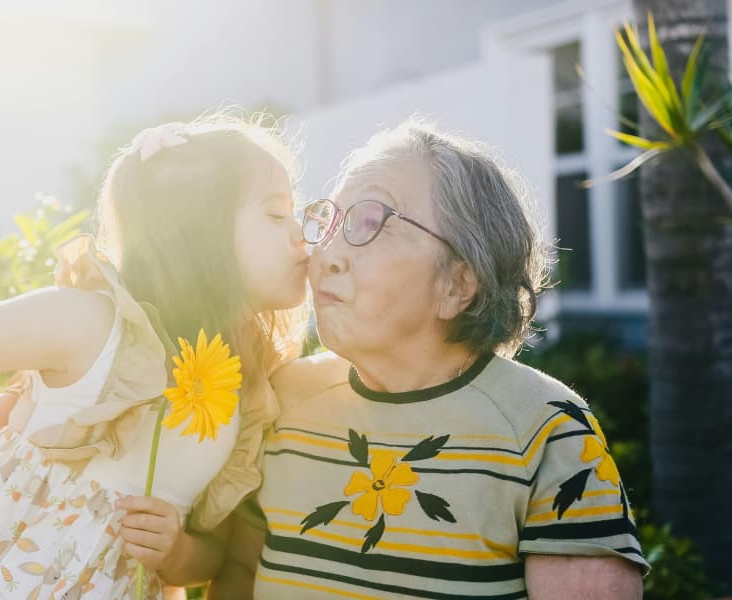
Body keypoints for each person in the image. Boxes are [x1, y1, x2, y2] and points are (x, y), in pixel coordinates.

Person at [215, 118, 649, 599]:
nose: (327, 255)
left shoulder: (547, 433)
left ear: (457, 285)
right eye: (330, 221)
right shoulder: (282, 400)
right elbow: (237, 573)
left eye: (369, 222)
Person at [0, 112, 309, 599]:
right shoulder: (93, 326)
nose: (301, 234)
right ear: (198, 233)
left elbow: (211, 555)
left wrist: (175, 551)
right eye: (277, 214)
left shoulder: (246, 387)